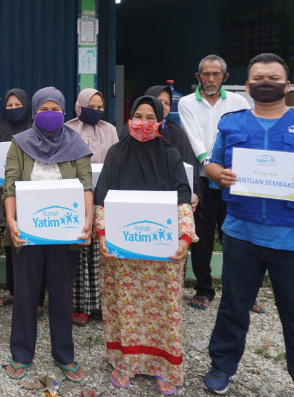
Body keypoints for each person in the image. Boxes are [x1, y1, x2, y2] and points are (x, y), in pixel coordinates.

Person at [203, 53, 294, 396]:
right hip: (241, 233)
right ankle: (222, 365)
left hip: (293, 239)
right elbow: (211, 163)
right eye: (258, 78)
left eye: (273, 77)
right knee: (234, 306)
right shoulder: (232, 123)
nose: (265, 83)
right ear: (248, 85)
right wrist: (218, 174)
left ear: (287, 85)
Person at [96, 96, 197, 395]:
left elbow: (182, 195)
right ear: (129, 119)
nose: (143, 122)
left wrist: (184, 237)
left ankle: (164, 367)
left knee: (163, 310)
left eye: (149, 116)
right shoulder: (116, 153)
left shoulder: (170, 153)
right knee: (124, 308)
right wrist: (101, 234)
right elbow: (102, 196)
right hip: (121, 250)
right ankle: (125, 363)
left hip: (161, 251)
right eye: (137, 115)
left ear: (160, 121)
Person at [2, 87, 93, 383]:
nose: (50, 115)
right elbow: (10, 184)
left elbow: (86, 185)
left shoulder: (76, 143)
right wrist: (11, 221)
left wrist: (89, 218)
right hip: (28, 234)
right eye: (44, 110)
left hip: (65, 234)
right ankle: (21, 353)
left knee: (62, 295)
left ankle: (64, 355)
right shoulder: (20, 143)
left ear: (64, 113)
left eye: (56, 110)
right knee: (26, 293)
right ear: (35, 112)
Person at [176, 55, 257, 312]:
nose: (211, 79)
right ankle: (204, 288)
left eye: (216, 74)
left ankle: (244, 292)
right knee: (201, 237)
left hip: (232, 177)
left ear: (225, 77)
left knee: (235, 236)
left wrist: (224, 170)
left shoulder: (238, 101)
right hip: (201, 179)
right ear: (198, 77)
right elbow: (193, 137)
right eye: (206, 74)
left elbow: (246, 136)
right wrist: (210, 166)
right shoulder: (187, 103)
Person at [63, 88, 119, 326]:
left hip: (104, 200)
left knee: (101, 252)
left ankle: (103, 305)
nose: (95, 111)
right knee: (78, 251)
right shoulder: (66, 128)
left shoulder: (110, 129)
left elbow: (116, 162)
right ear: (79, 105)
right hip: (73, 200)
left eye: (99, 107)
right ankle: (79, 305)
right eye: (90, 106)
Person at [0, 89, 39, 309]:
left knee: (34, 242)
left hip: (33, 193)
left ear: (26, 106)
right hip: (7, 194)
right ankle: (14, 292)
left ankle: (36, 298)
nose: (14, 109)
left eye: (18, 105)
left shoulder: (36, 129)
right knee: (10, 241)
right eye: (9, 105)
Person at [145, 85, 203, 207]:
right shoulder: (134, 130)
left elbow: (189, 161)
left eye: (167, 103)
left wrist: (195, 191)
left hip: (171, 196)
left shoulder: (176, 131)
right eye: (159, 100)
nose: (163, 106)